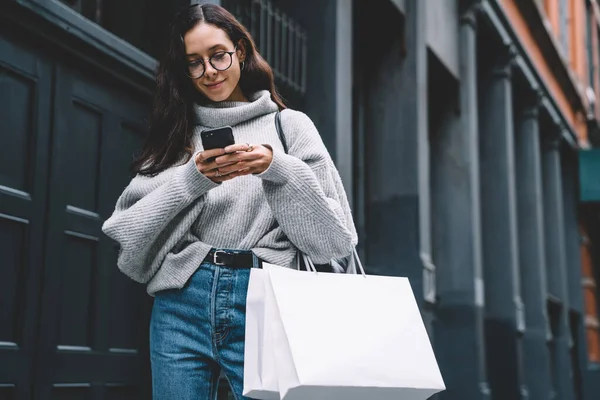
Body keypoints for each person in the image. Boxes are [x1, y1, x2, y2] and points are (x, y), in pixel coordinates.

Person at [102, 3, 357, 399]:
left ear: (239, 50)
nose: (209, 71)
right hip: (182, 301)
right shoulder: (178, 134)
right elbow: (127, 240)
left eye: (218, 55)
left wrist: (277, 168)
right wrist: (193, 179)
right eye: (194, 62)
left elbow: (336, 242)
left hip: (269, 298)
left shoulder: (290, 127)